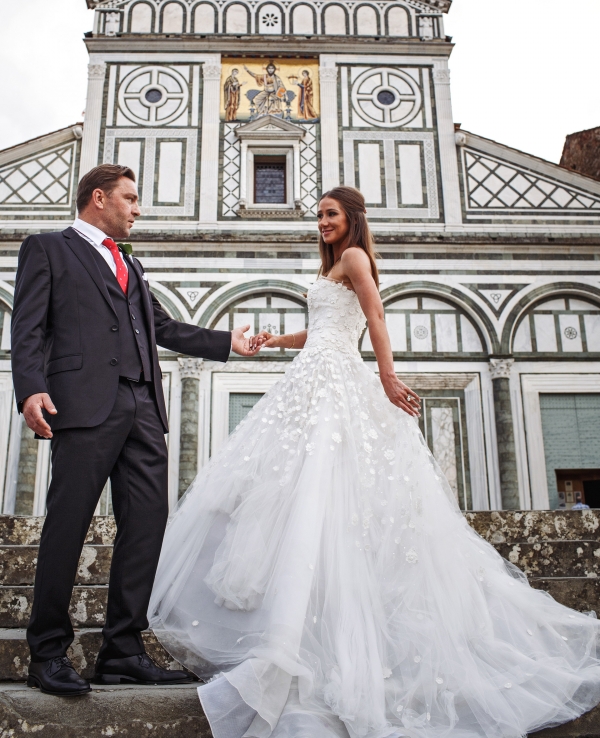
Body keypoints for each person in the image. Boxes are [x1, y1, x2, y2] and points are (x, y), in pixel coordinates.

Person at [150, 186, 600, 738]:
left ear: (352, 218)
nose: (322, 222)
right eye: (319, 215)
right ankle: (292, 627)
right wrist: (276, 339)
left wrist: (387, 377)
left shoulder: (356, 257)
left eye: (331, 214)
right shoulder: (330, 266)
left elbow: (375, 317)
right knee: (290, 489)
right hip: (311, 375)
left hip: (338, 379)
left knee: (325, 481)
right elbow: (322, 330)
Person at [11, 163, 261, 698]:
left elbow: (161, 327)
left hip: (144, 406)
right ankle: (48, 652)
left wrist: (226, 343)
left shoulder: (130, 262)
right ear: (99, 198)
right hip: (83, 404)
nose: (138, 209)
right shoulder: (48, 248)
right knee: (68, 524)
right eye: (130, 198)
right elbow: (27, 325)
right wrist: (30, 388)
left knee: (147, 524)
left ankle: (122, 651)